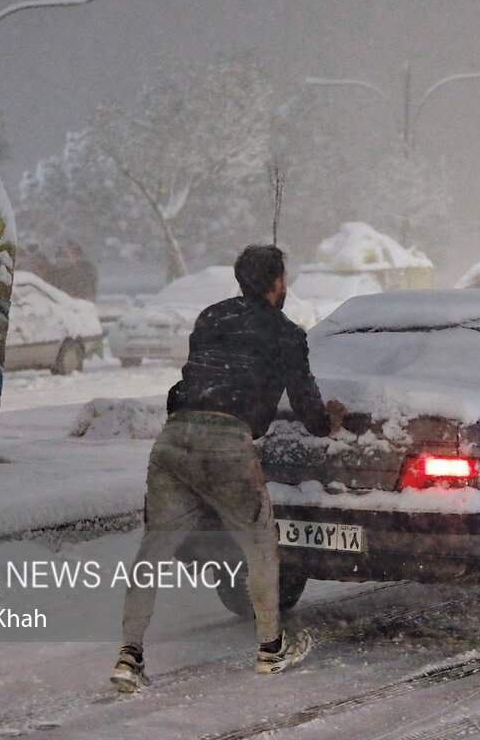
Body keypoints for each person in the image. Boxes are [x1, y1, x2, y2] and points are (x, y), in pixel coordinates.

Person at [111, 244, 346, 691]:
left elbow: (207, 370)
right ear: (278, 282)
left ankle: (129, 655)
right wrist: (331, 418)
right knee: (259, 544)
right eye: (283, 277)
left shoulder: (209, 318)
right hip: (227, 441)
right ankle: (270, 648)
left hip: (174, 438)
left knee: (152, 551)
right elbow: (311, 414)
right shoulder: (287, 334)